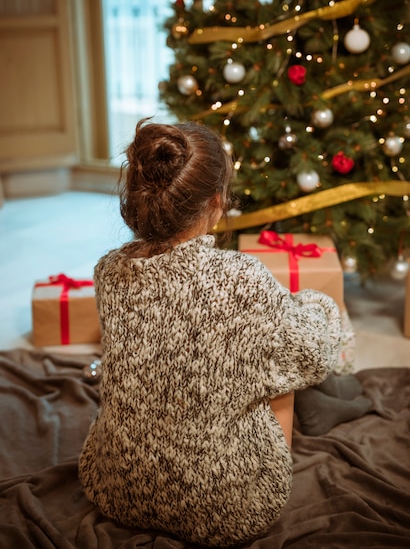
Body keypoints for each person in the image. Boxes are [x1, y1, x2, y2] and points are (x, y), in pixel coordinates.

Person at [78, 119, 367, 546]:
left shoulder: (108, 270)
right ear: (217, 202)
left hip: (116, 489)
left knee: (267, 345)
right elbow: (312, 355)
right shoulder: (243, 278)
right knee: (291, 357)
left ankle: (331, 394)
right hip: (228, 508)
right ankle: (336, 397)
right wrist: (319, 304)